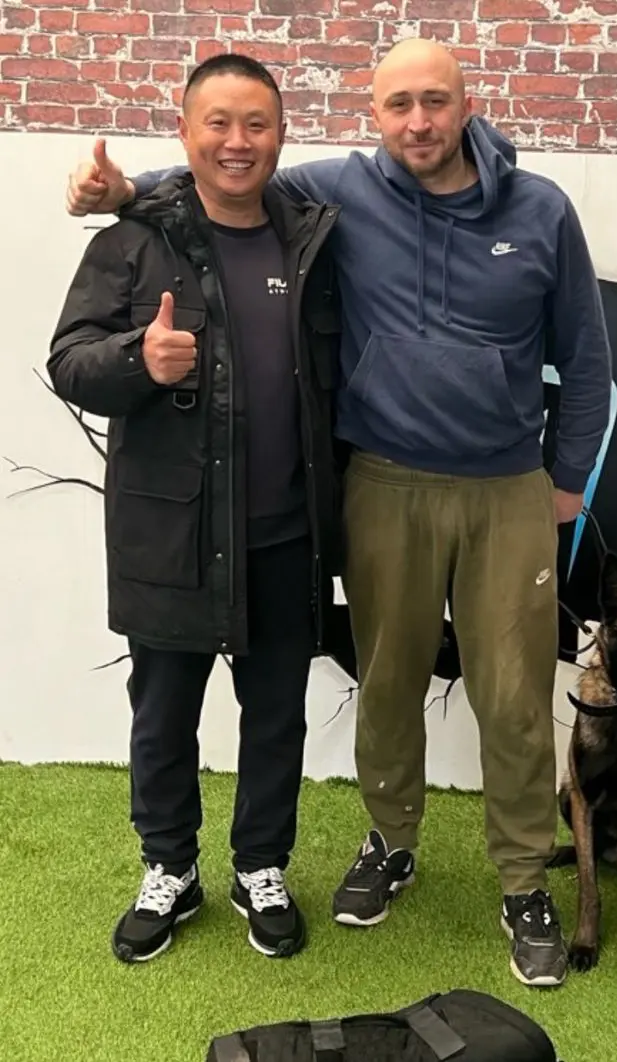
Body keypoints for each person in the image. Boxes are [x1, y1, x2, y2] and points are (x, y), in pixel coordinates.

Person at [65, 38, 612, 988]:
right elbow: (220, 178)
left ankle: (523, 881)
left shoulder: (539, 211)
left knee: (516, 699)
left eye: (434, 101)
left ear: (467, 101)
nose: (418, 123)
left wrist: (566, 481)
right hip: (380, 485)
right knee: (385, 681)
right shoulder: (340, 192)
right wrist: (119, 195)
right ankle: (382, 843)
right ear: (372, 111)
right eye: (397, 104)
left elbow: (588, 357)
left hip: (502, 490)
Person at [51, 53, 343, 964]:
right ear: (185, 132)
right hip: (168, 536)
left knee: (277, 717)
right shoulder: (132, 243)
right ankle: (168, 869)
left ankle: (262, 866)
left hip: (286, 537)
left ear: (281, 134)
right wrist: (142, 358)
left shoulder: (313, 242)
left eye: (255, 123)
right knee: (162, 716)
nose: (237, 142)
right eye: (217, 122)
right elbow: (69, 362)